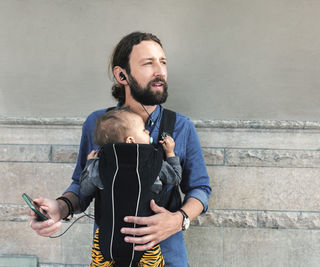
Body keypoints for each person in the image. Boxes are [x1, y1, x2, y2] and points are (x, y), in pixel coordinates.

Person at [28, 31, 212, 267]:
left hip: (167, 258)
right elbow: (82, 185)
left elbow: (200, 188)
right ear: (121, 74)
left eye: (163, 62)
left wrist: (179, 220)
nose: (160, 71)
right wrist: (59, 207)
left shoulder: (181, 126)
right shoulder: (97, 123)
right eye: (148, 63)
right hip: (109, 255)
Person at [80, 107, 182, 266]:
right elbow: (175, 178)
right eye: (143, 130)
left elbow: (85, 189)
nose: (148, 132)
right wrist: (170, 154)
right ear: (130, 140)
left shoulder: (100, 165)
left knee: (98, 262)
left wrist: (90, 163)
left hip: (107, 236)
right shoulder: (153, 163)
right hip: (145, 238)